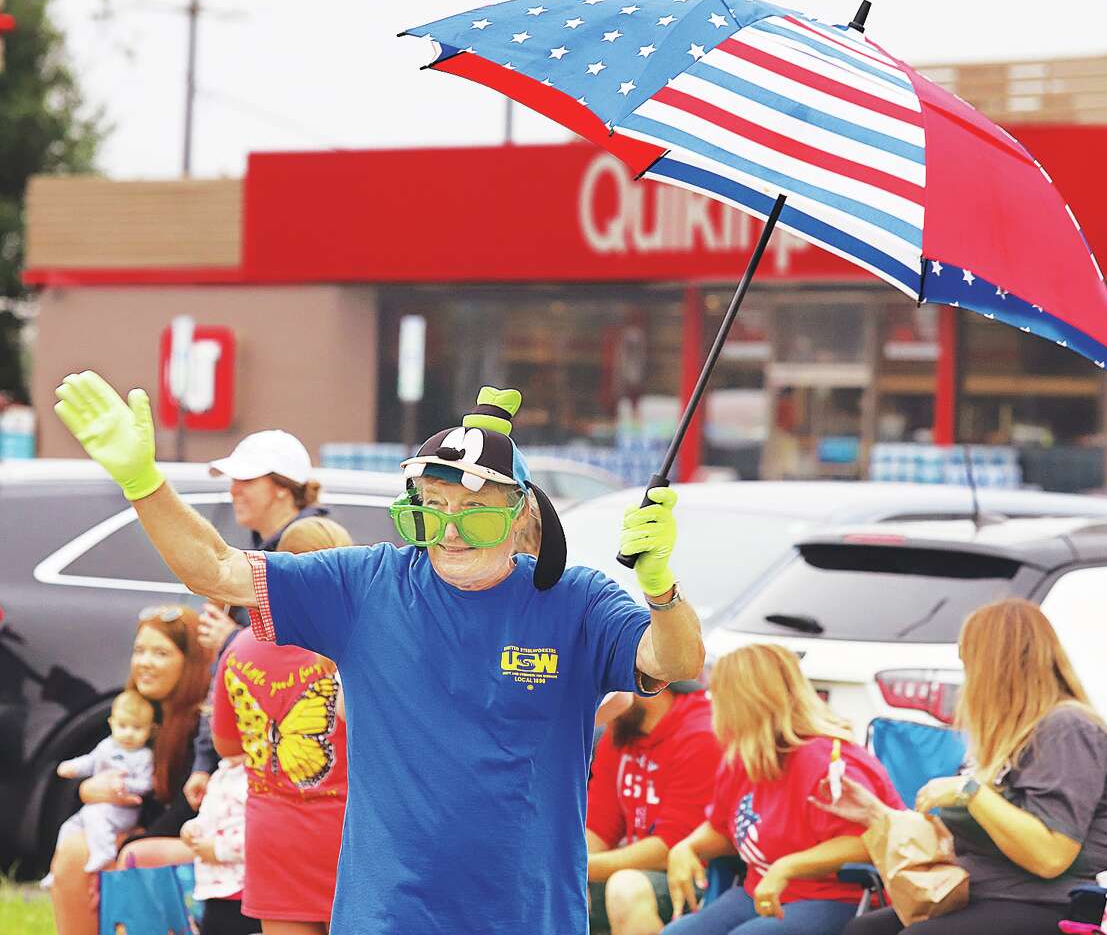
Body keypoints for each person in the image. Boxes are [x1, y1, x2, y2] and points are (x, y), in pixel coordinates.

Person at [53, 372, 704, 935]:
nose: (449, 532)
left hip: (526, 915)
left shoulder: (573, 600)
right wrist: (143, 481)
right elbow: (216, 568)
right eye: (430, 511)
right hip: (389, 915)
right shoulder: (365, 585)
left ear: (518, 515)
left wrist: (660, 587)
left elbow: (672, 660)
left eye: (473, 512)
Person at [818, 598, 1107, 935]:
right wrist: (876, 813)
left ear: (995, 667)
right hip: (1006, 890)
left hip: (1085, 899)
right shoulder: (1003, 737)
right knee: (865, 929)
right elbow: (963, 837)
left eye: (969, 664)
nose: (967, 680)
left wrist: (971, 792)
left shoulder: (1066, 728)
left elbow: (1051, 856)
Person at [663, 644, 903, 935]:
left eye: (720, 695)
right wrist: (687, 847)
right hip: (760, 890)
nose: (714, 705)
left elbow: (870, 839)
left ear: (748, 701)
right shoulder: (744, 753)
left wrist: (787, 867)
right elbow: (722, 828)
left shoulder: (824, 760)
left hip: (836, 897)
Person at [211, 515, 353, 935]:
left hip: (273, 835)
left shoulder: (239, 646)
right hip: (348, 834)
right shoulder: (352, 645)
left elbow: (226, 745)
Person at [184, 429, 328, 811]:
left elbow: (318, 661)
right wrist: (204, 761)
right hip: (248, 757)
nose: (234, 490)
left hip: (305, 774)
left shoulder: (315, 552)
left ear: (283, 487)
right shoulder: (254, 556)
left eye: (246, 479)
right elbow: (225, 677)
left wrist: (234, 640)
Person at [49, 606, 212, 935]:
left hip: (197, 839)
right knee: (74, 851)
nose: (145, 663)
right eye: (139, 650)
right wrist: (86, 789)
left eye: (161, 653)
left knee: (134, 858)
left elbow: (187, 808)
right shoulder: (136, 715)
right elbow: (89, 765)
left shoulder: (203, 725)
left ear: (190, 662)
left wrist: (127, 846)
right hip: (146, 832)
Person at [587, 681, 722, 935]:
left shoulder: (700, 733)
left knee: (625, 888)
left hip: (695, 873)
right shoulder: (622, 731)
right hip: (640, 864)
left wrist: (580, 869)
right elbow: (598, 824)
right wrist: (571, 872)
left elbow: (669, 846)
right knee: (543, 885)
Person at [51, 691, 156, 873]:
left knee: (94, 815)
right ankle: (57, 870)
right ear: (112, 723)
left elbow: (146, 784)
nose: (129, 734)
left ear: (150, 730)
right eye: (123, 726)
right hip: (100, 806)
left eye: (137, 728)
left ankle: (104, 853)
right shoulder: (106, 746)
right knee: (68, 827)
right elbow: (90, 762)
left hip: (123, 811)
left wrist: (125, 785)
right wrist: (73, 767)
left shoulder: (144, 756)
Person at [180, 755, 254, 935]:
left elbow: (263, 834)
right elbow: (208, 817)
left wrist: (219, 850)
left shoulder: (257, 779)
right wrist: (191, 829)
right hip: (213, 888)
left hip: (244, 891)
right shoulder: (220, 775)